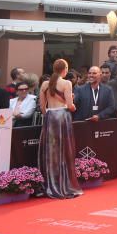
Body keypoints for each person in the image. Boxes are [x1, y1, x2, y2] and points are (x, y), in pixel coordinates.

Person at [38, 59, 83, 199]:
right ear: (65, 69)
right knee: (64, 151)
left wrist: (49, 115)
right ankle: (63, 185)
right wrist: (72, 105)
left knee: (51, 152)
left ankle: (50, 184)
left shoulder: (45, 84)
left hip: (50, 117)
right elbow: (70, 105)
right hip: (62, 117)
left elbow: (42, 107)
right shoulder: (67, 83)